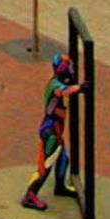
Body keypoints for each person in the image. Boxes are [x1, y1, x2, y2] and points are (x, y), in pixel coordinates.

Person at [21, 53, 82, 210]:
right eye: (70, 68)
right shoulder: (55, 85)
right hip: (50, 130)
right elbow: (64, 92)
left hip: (56, 130)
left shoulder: (58, 82)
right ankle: (30, 194)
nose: (72, 71)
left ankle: (60, 186)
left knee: (63, 159)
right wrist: (80, 88)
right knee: (46, 164)